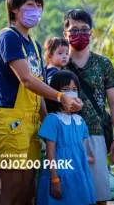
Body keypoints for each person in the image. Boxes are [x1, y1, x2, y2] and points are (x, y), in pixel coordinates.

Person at [0, 0, 83, 205]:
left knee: (26, 190)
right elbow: (26, 79)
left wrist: (47, 121)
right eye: (31, 5)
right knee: (10, 190)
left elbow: (38, 87)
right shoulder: (9, 38)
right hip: (11, 122)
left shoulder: (31, 43)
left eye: (39, 5)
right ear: (14, 9)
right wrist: (61, 97)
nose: (37, 10)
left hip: (31, 123)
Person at [62, 8, 114, 205]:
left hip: (96, 134)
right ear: (65, 34)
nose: (79, 34)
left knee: (99, 196)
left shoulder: (103, 63)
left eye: (84, 29)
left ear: (91, 32)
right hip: (65, 137)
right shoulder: (58, 64)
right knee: (68, 194)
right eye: (74, 30)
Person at [36, 69, 97, 205]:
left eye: (74, 89)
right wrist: (54, 180)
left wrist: (83, 156)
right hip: (60, 174)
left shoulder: (80, 120)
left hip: (78, 173)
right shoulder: (52, 120)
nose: (71, 92)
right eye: (65, 88)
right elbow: (50, 154)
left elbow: (77, 146)